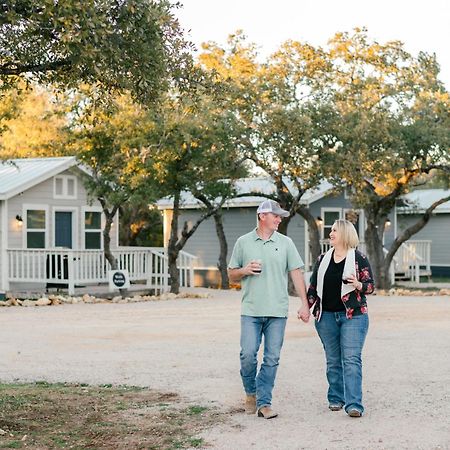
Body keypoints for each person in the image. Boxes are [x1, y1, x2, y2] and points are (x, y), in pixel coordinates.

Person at [228, 199, 310, 419]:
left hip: (277, 311)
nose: (279, 219)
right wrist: (244, 270)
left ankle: (264, 403)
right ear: (262, 216)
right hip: (251, 310)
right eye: (276, 216)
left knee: (272, 358)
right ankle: (250, 393)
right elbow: (231, 274)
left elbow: (296, 273)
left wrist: (304, 303)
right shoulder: (243, 242)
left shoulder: (285, 243)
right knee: (247, 355)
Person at [306, 219, 374, 418]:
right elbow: (313, 287)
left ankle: (354, 404)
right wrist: (306, 308)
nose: (330, 233)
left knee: (351, 359)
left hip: (353, 316)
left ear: (344, 233)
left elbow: (370, 286)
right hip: (325, 316)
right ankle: (336, 397)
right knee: (333, 360)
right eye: (331, 230)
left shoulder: (358, 259)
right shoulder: (322, 259)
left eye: (334, 230)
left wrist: (358, 284)